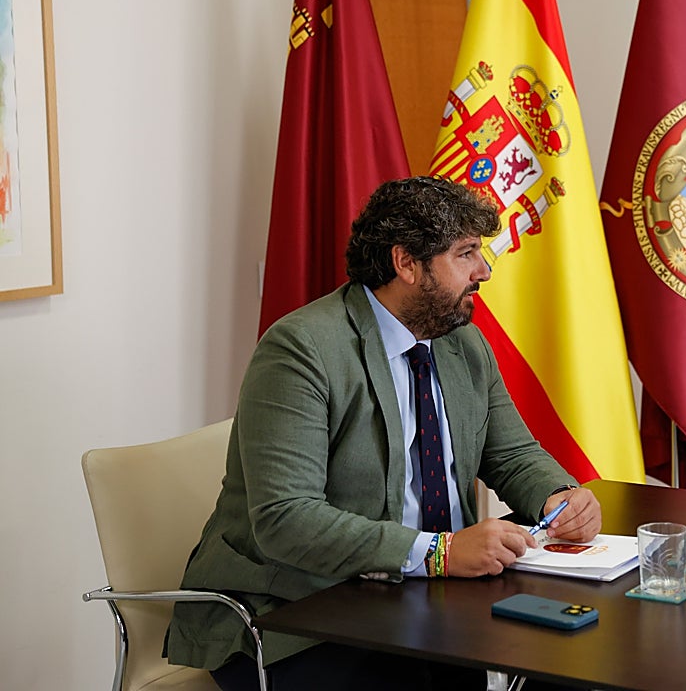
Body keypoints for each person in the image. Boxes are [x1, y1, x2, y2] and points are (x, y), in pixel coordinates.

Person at [167, 176, 600, 690]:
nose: (483, 271)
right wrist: (437, 551)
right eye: (465, 255)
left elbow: (511, 454)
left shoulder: (463, 344)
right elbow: (285, 519)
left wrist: (561, 496)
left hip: (429, 604)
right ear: (406, 263)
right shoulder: (301, 349)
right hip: (297, 612)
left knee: (577, 667)